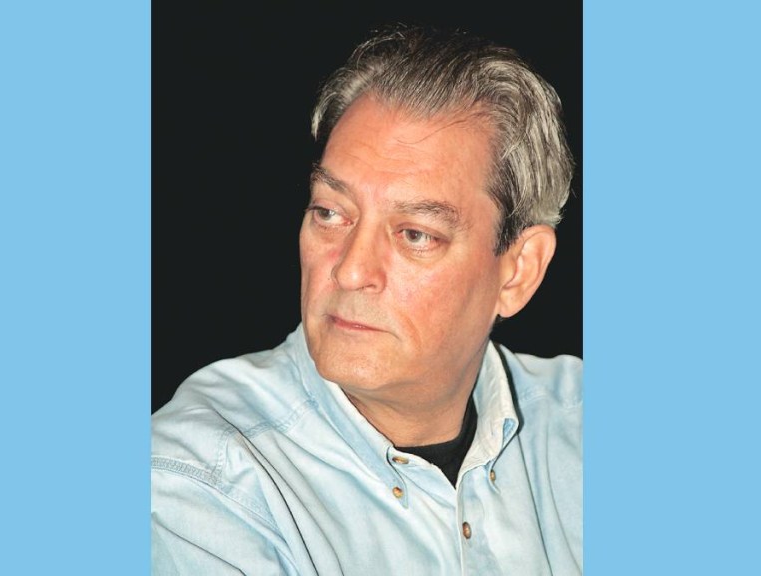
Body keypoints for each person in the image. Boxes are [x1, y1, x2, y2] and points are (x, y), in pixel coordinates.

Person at [152, 22, 581, 575]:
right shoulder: (199, 483)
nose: (351, 270)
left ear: (518, 272)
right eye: (330, 212)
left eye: (415, 234)